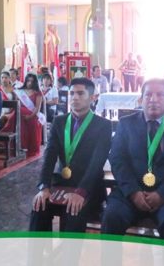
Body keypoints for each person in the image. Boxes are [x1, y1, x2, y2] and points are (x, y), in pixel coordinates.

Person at [101, 79, 164, 241]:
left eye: (160, 95)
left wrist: (162, 194)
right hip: (131, 193)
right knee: (112, 216)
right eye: (148, 95)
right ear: (141, 99)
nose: (153, 99)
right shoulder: (126, 124)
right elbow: (118, 160)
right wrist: (133, 192)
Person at [31, 78, 111, 232]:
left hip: (90, 187)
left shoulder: (103, 125)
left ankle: (70, 256)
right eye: (72, 93)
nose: (75, 97)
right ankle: (36, 255)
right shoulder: (59, 121)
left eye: (81, 93)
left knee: (74, 210)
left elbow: (97, 163)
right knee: (39, 205)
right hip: (62, 183)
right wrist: (44, 186)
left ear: (93, 97)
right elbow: (49, 156)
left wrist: (81, 192)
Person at [7, 73, 43, 157]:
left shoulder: (38, 92)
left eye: (32, 81)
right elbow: (16, 104)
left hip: (32, 115)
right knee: (16, 115)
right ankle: (16, 145)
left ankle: (29, 147)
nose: (29, 83)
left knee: (27, 119)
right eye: (28, 81)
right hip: (19, 114)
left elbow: (37, 108)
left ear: (35, 82)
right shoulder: (20, 91)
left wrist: (30, 116)